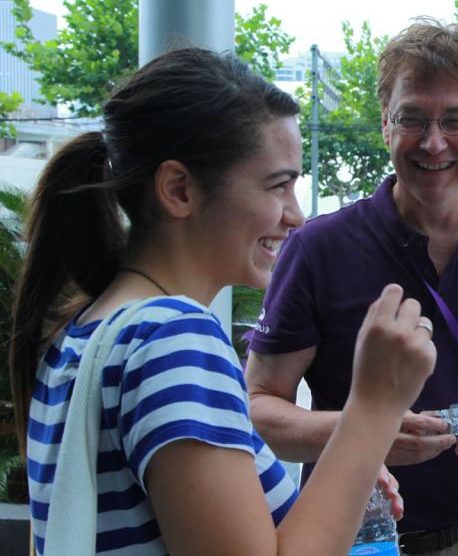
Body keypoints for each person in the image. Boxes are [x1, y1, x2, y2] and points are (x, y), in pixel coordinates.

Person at [9, 47, 436, 555]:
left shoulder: (85, 330)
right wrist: (375, 407)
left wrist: (348, 465)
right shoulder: (173, 339)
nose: (295, 215)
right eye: (278, 186)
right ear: (178, 189)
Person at [245, 18, 458, 555]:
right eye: (412, 119)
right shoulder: (319, 249)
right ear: (385, 125)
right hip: (355, 537)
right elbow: (260, 405)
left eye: (456, 120)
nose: (433, 143)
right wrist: (365, 428)